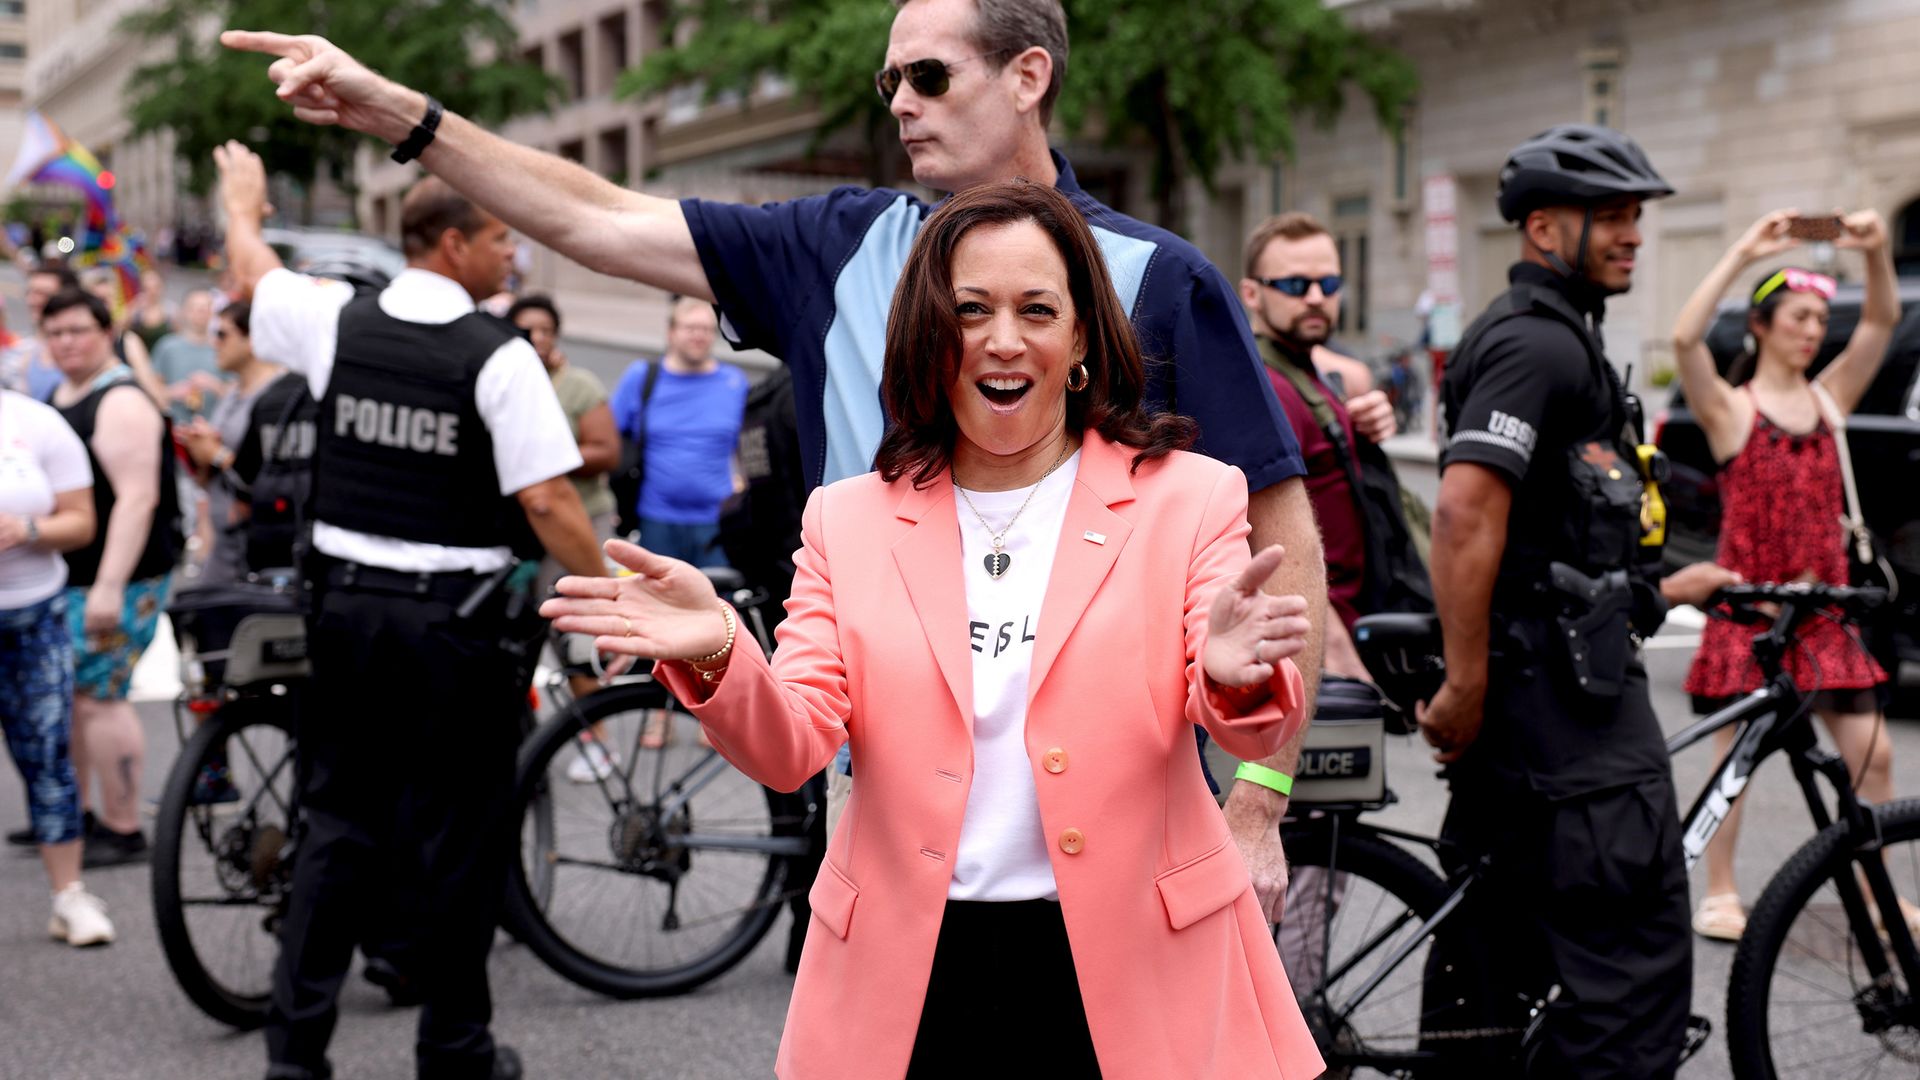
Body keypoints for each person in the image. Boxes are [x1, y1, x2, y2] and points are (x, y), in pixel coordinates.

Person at [223, 0, 1329, 918]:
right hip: (889, 809)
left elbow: (1280, 537)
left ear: (1028, 74)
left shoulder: (1159, 279)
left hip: (1119, 817)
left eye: (930, 76)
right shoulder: (840, 248)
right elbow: (599, 219)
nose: (899, 101)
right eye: (889, 79)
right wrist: (403, 117)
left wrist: (1261, 798)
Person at [546, 178, 1323, 1080]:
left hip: (1134, 965)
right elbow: (795, 742)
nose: (1003, 338)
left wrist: (1229, 677)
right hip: (913, 973)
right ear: (929, 334)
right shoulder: (847, 519)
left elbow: (1247, 721)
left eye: (1038, 308)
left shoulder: (1189, 497)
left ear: (1079, 339)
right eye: (971, 309)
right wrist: (723, 653)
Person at [217, 142, 607, 1080]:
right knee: (457, 841)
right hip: (451, 631)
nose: (511, 255)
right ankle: (454, 1049)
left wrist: (244, 203)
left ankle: (296, 1056)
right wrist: (617, 591)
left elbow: (251, 274)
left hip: (342, 616)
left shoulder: (334, 321)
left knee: (336, 829)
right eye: (500, 237)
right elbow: (550, 502)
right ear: (449, 245)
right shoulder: (499, 355)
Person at [1419, 124, 1691, 1077]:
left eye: (1635, 217)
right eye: (1610, 217)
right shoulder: (1538, 345)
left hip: (1546, 712)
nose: (1632, 235)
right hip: (1568, 732)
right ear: (1543, 228)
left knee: (1495, 972)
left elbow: (1549, 530)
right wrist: (1463, 683)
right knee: (1628, 983)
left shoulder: (1557, 337)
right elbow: (1463, 513)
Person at [1672, 208, 1900, 942]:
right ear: (1762, 326)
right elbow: (1683, 339)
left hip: (1825, 614)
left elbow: (1880, 322)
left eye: (1818, 318)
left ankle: (1878, 894)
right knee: (1735, 766)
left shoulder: (1829, 400)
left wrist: (1875, 253)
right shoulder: (1734, 411)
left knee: (1875, 756)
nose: (1813, 329)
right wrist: (1743, 249)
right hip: (1753, 617)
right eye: (1799, 316)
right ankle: (1722, 891)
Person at [44, 288, 183, 870]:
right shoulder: (67, 390)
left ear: (106, 332)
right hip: (75, 574)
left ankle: (123, 826)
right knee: (77, 699)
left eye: (78, 330)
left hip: (120, 577)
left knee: (101, 697)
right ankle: (78, 815)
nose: (66, 342)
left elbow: (138, 498)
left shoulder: (121, 400)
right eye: (55, 333)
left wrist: (108, 585)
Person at [0, 385, 114, 944]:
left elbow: (82, 522)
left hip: (32, 619)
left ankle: (69, 896)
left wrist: (27, 529)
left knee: (47, 758)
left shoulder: (36, 422)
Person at [508, 293, 624, 782]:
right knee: (520, 640)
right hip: (519, 534)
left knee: (578, 635)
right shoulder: (504, 379)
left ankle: (600, 740)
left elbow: (606, 450)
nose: (536, 338)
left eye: (545, 330)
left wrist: (546, 454)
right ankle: (523, 737)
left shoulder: (576, 384)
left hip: (578, 522)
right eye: (526, 329)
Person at [609, 297, 748, 566]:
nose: (699, 336)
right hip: (656, 519)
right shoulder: (641, 377)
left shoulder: (733, 382)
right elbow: (611, 438)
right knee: (656, 602)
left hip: (715, 522)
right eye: (691, 327)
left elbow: (745, 444)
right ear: (671, 331)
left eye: (707, 329)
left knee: (716, 602)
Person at [178, 301, 296, 584]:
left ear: (252, 339)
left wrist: (216, 453)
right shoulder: (231, 393)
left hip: (254, 542)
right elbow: (213, 475)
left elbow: (275, 474)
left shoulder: (277, 397)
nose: (214, 343)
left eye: (222, 334)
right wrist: (199, 451)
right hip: (222, 536)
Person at [151, 288, 228, 423]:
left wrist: (213, 385)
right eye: (195, 307)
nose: (201, 312)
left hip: (213, 432)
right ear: (184, 312)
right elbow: (151, 392)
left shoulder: (224, 348)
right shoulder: (167, 346)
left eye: (206, 307)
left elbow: (238, 397)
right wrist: (173, 392)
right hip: (173, 431)